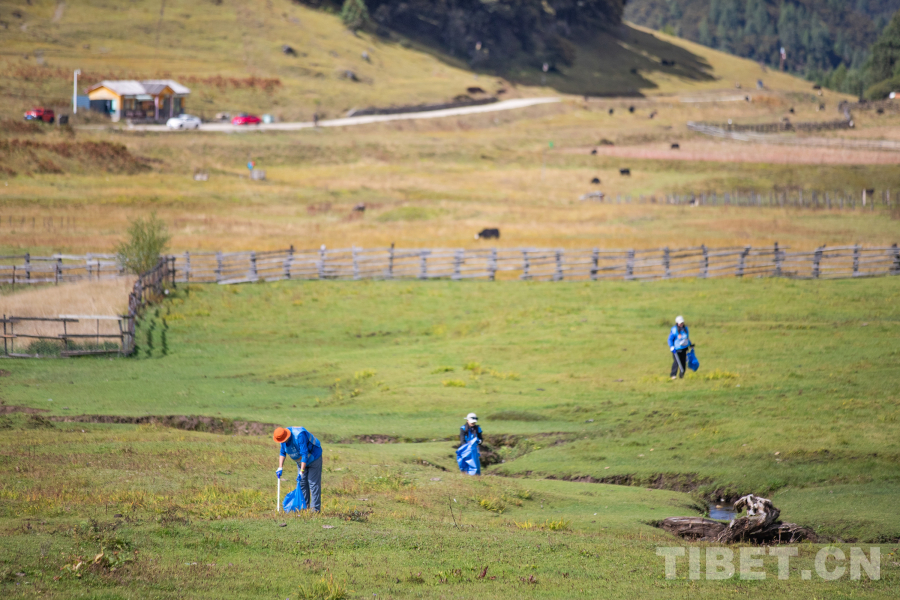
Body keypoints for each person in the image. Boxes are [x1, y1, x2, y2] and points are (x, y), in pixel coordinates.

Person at [274, 426, 323, 512]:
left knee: (313, 483)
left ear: (287, 436)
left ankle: (315, 510)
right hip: (301, 462)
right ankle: (304, 507)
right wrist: (280, 467)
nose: (282, 442)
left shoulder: (299, 435)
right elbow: (282, 452)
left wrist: (301, 471)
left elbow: (304, 454)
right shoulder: (282, 438)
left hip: (314, 456)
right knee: (302, 483)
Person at [668, 315, 692, 380]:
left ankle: (682, 375)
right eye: (680, 323)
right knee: (676, 362)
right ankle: (673, 375)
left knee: (683, 362)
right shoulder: (674, 330)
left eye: (682, 322)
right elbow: (670, 339)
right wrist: (671, 346)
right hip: (676, 349)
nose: (681, 324)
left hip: (684, 349)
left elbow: (687, 338)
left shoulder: (685, 329)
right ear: (677, 323)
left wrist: (690, 344)